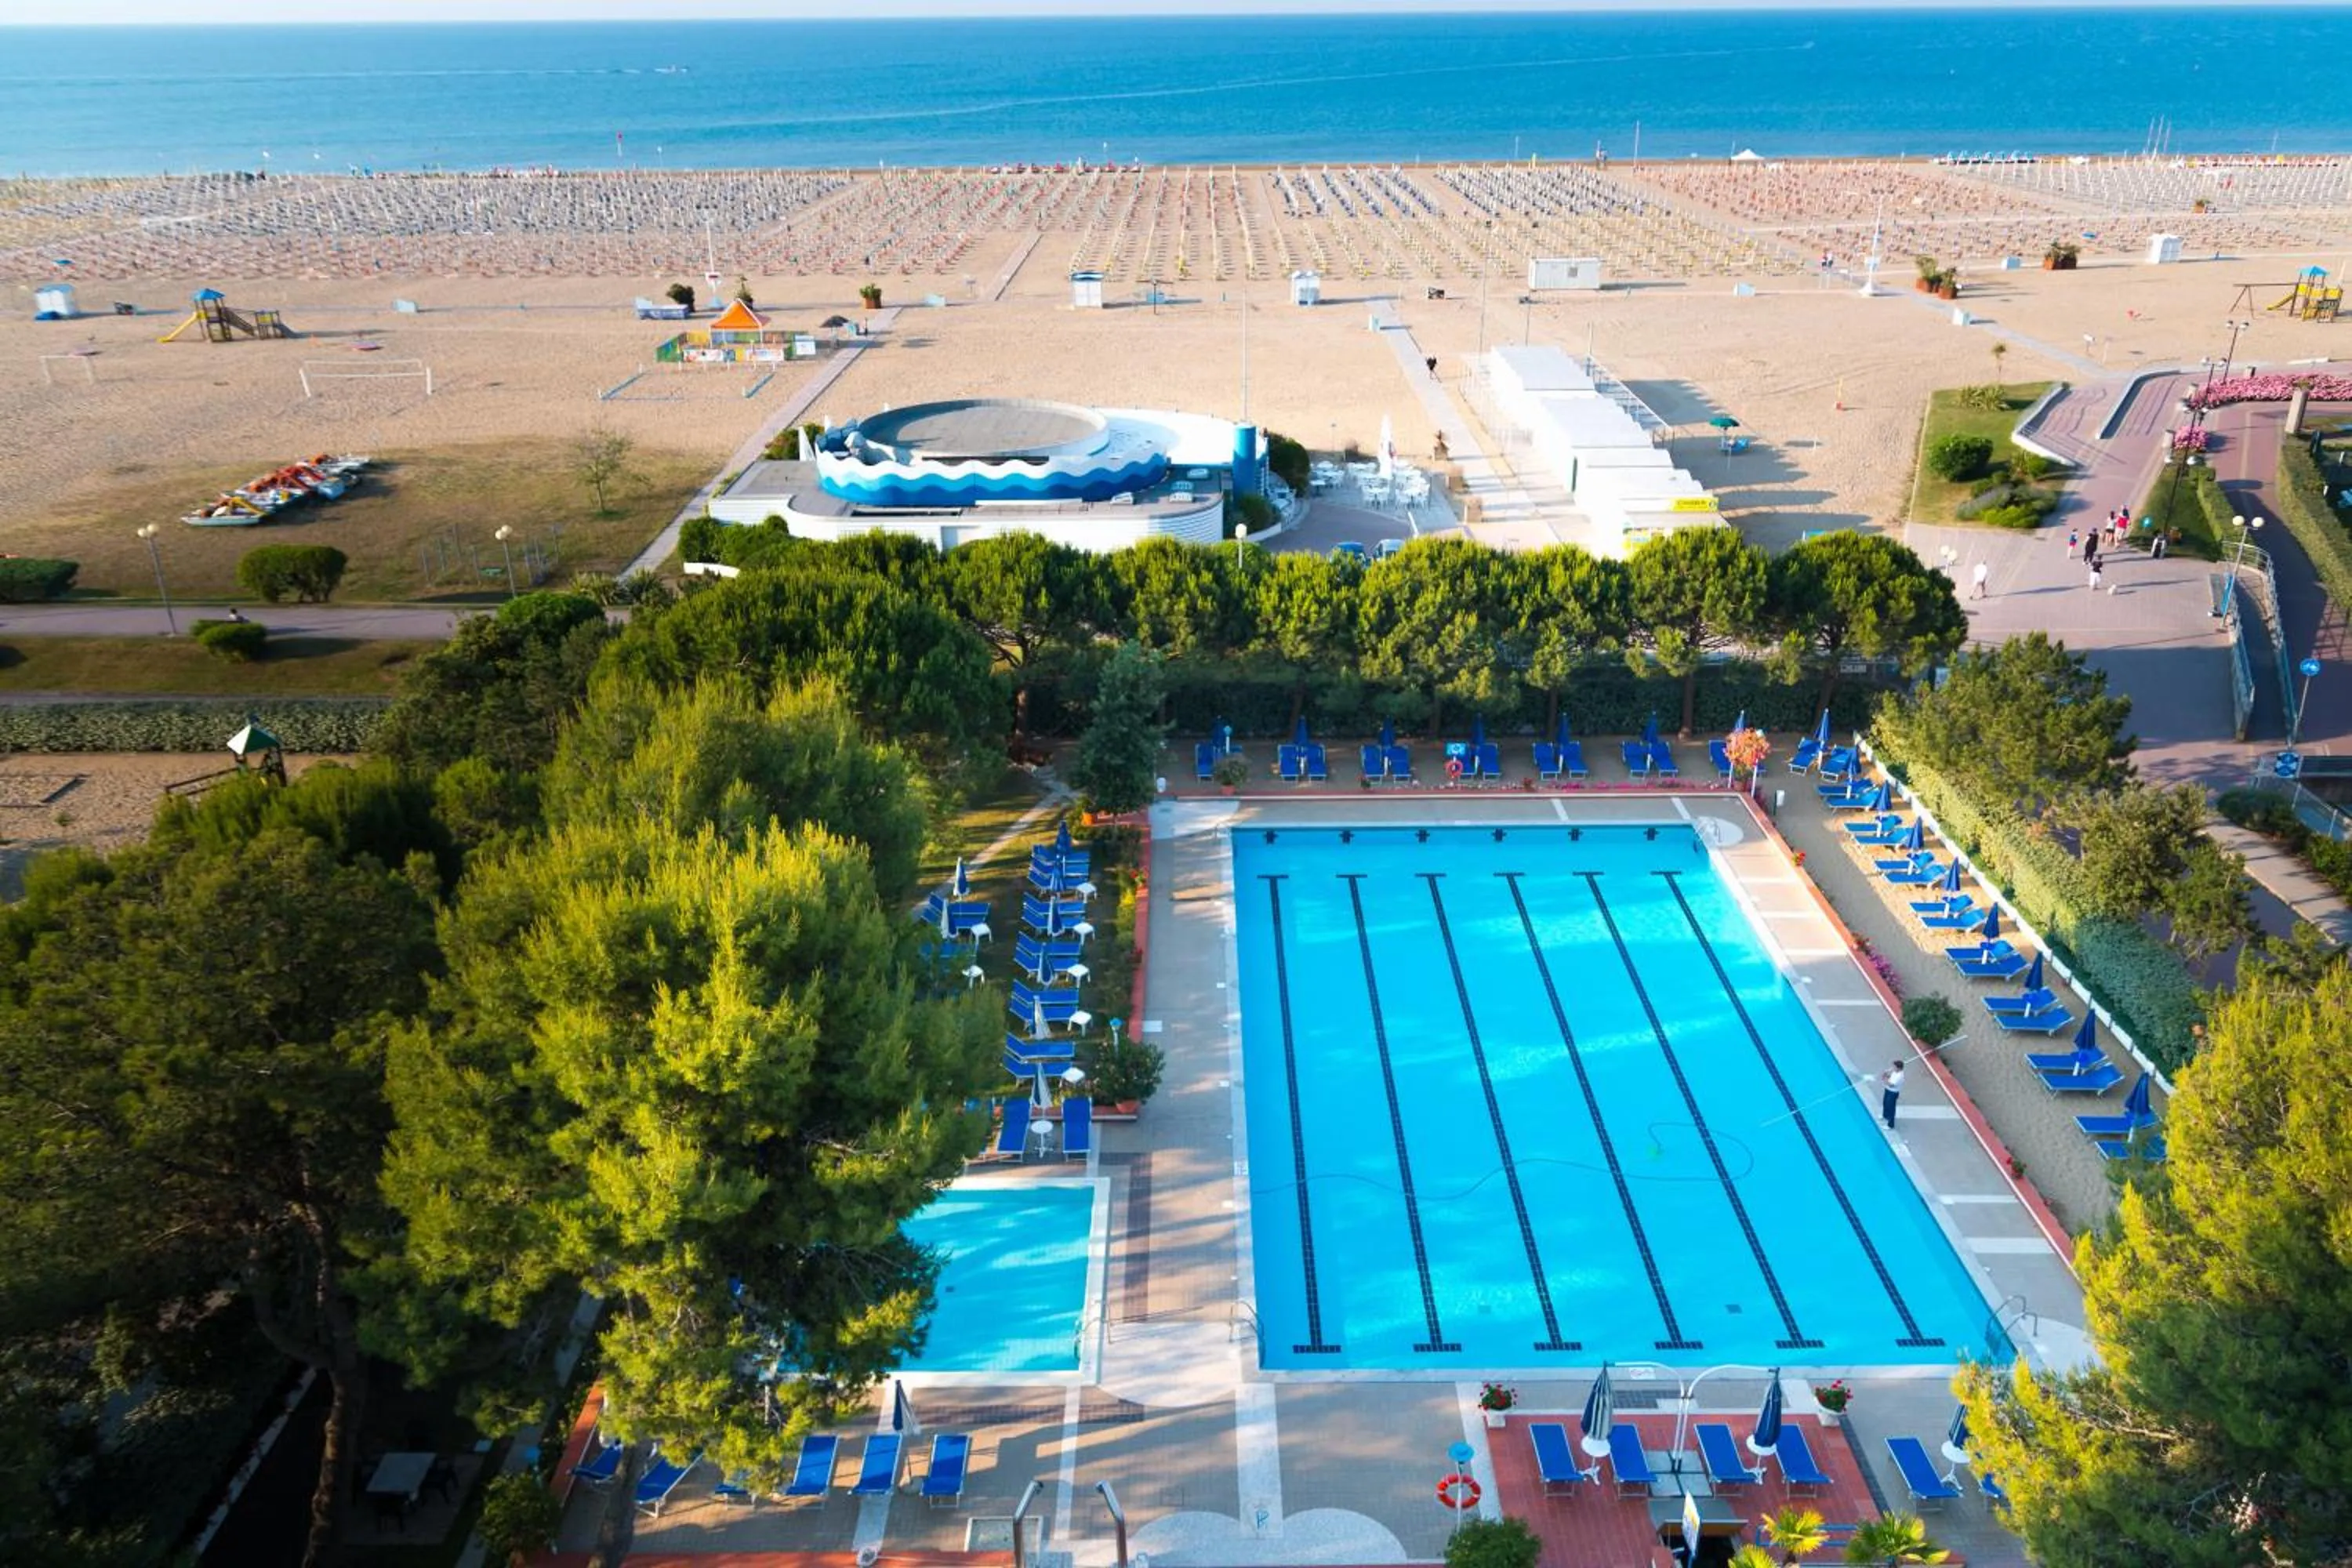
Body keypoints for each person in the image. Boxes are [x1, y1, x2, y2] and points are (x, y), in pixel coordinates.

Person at [1881, 1060, 1906, 1129]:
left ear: (1899, 1068)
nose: (1893, 1068)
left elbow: (1892, 1085)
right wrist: (1885, 1074)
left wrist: (1884, 1079)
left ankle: (1890, 1125)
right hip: (1888, 1090)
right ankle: (1885, 1115)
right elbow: (1890, 1077)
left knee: (1891, 1108)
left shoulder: (1900, 1076)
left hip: (1893, 1093)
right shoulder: (1895, 1072)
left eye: (1895, 1067)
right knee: (1885, 1103)